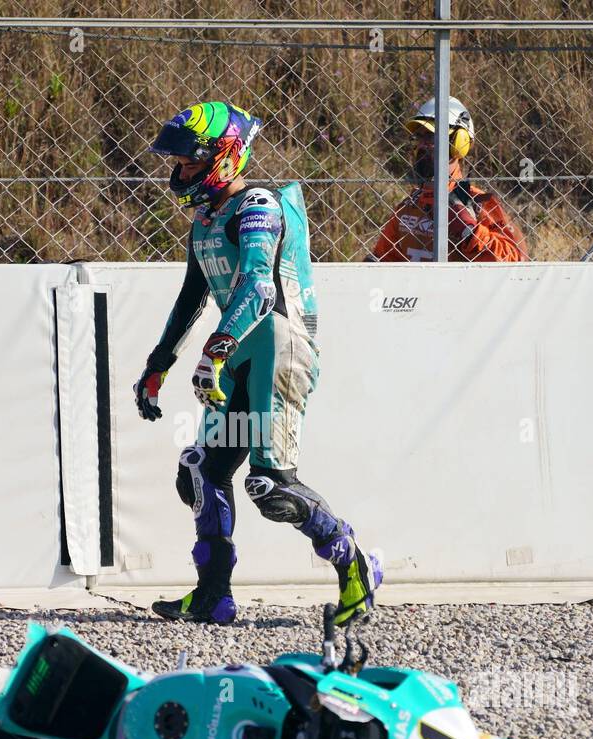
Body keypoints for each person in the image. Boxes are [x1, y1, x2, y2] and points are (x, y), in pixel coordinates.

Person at [135, 101, 382, 626]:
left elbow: (258, 284)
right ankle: (212, 596)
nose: (177, 171)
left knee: (270, 487)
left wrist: (216, 349)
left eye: (188, 161)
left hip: (279, 346)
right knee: (202, 470)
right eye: (176, 162)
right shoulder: (206, 217)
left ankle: (355, 564)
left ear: (224, 156)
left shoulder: (258, 206)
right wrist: (159, 363)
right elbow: (191, 298)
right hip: (240, 351)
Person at [369, 97, 528, 263]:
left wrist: (470, 232)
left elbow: (515, 259)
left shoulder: (477, 203)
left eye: (431, 137)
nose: (422, 145)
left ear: (460, 142)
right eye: (419, 137)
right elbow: (383, 260)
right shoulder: (408, 208)